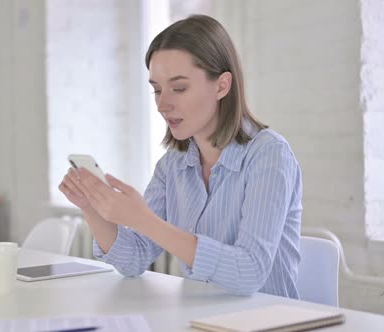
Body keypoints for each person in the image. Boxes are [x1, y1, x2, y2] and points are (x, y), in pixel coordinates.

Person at [58, 14, 302, 298]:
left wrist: (143, 219)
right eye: (157, 90)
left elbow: (250, 272)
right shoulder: (172, 165)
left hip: (271, 320)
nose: (163, 104)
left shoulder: (269, 155)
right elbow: (135, 258)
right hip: (201, 318)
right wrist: (92, 207)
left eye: (179, 88)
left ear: (222, 86)